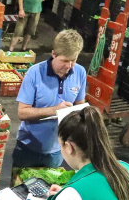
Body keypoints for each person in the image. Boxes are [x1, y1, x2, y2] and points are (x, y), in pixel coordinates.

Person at [13, 30, 88, 169]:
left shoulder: (80, 72)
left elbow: (80, 106)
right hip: (28, 147)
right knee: (21, 188)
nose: (69, 66)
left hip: (57, 150)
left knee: (50, 189)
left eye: (73, 60)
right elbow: (22, 113)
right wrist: (54, 110)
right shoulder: (34, 73)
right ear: (53, 54)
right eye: (65, 60)